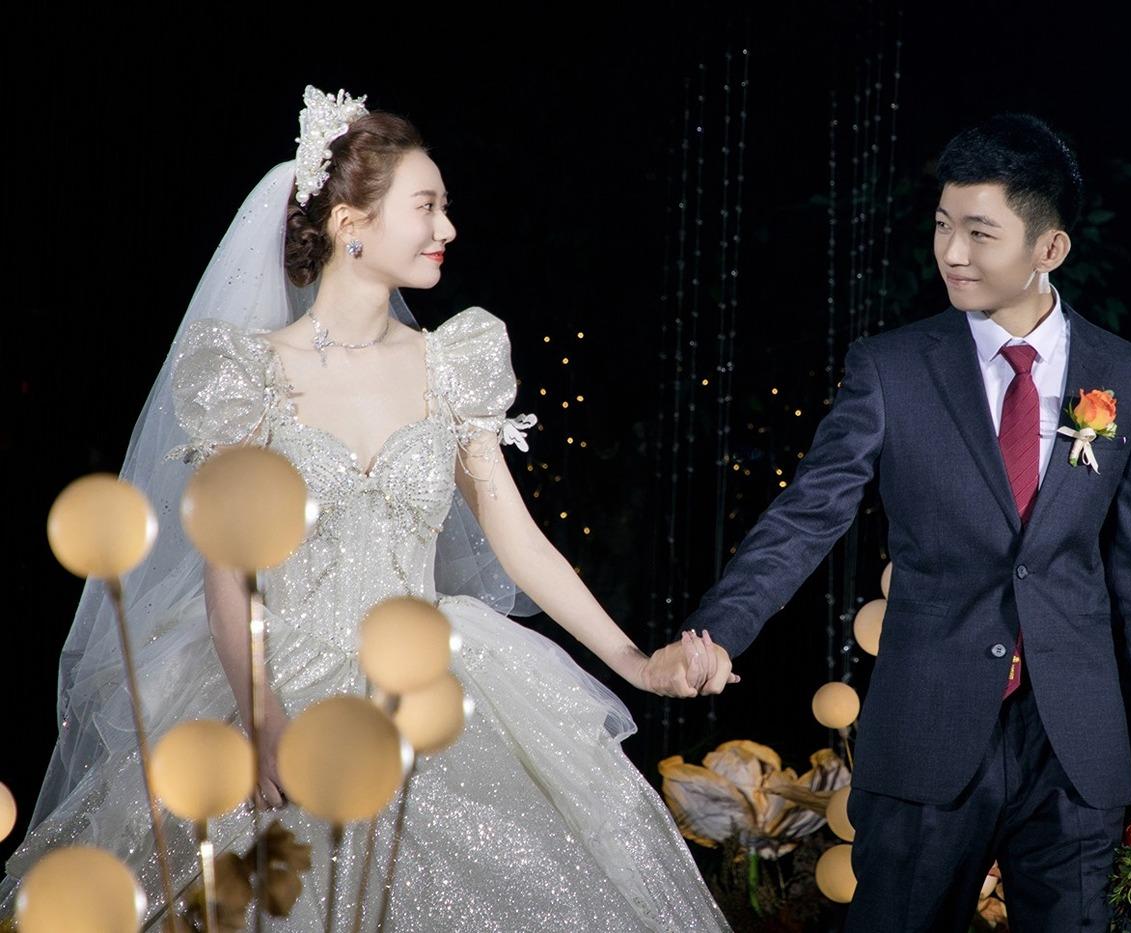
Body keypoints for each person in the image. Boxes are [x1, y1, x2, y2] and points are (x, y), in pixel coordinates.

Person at [0, 86, 732, 931]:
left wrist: (638, 663)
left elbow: (522, 542)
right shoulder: (248, 374)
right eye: (427, 206)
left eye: (445, 207)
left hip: (433, 680)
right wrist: (264, 716)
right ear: (351, 224)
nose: (447, 227)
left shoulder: (450, 364)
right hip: (283, 679)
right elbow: (228, 571)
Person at [679, 113, 1131, 931]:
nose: (952, 252)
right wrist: (717, 633)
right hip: (928, 733)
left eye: (980, 233)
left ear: (1050, 248)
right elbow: (808, 514)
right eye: (943, 225)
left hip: (1075, 747)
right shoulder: (892, 369)